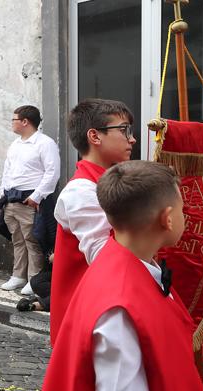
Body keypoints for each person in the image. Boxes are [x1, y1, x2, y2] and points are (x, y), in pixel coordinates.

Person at [18, 160, 203, 391]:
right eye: (181, 208)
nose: (185, 216)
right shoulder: (120, 304)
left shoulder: (127, 268)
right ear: (166, 218)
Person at [49, 99, 136, 346]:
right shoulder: (82, 191)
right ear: (95, 136)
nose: (132, 139)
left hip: (111, 305)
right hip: (93, 315)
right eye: (124, 130)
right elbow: (105, 256)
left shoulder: (111, 182)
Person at [0, 105, 61, 295]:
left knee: (32, 240)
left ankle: (34, 279)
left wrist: (37, 196)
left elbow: (52, 172)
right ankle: (18, 275)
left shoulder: (44, 143)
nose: (12, 123)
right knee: (17, 239)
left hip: (30, 198)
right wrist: (4, 192)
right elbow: (7, 170)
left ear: (25, 122)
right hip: (11, 198)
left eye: (14, 119)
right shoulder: (15, 144)